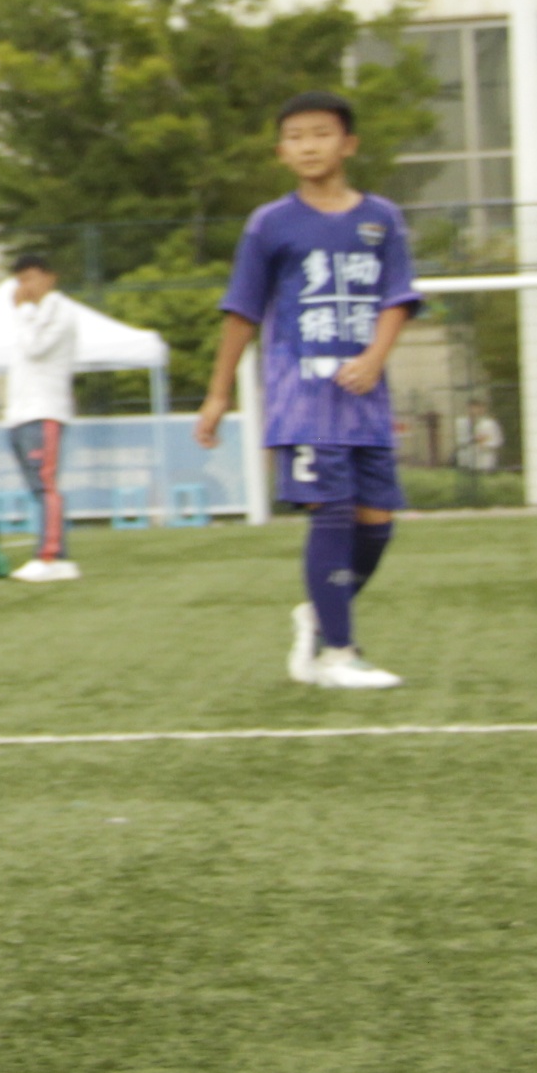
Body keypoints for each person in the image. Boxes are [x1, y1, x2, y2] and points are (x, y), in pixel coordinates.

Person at [196, 92, 419, 691]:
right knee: (335, 511)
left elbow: (399, 298)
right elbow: (241, 310)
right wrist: (219, 394)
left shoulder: (382, 218)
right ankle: (338, 653)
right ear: (281, 151)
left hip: (365, 395)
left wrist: (375, 357)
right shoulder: (270, 223)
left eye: (321, 133)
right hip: (303, 396)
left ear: (348, 143)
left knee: (378, 522)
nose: (308, 145)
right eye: (295, 136)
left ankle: (320, 614)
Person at [1, 256, 80, 582]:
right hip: (20, 413)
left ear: (50, 277)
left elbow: (36, 347)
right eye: (20, 280)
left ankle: (49, 557)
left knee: (46, 484)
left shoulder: (59, 311)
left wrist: (22, 311)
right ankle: (54, 554)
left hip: (45, 411)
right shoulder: (29, 315)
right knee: (37, 487)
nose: (25, 287)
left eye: (30, 278)